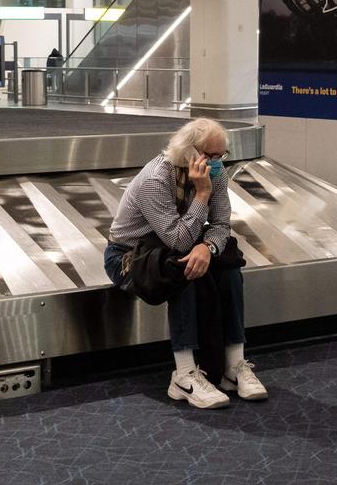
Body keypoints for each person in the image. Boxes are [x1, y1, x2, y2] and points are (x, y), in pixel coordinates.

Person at [104, 118, 268, 409]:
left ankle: (234, 365)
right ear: (189, 151)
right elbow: (177, 241)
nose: (218, 163)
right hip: (129, 258)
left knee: (228, 261)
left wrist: (208, 246)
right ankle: (183, 374)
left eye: (222, 156)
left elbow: (220, 224)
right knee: (183, 267)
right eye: (211, 155)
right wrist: (202, 193)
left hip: (178, 246)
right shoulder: (156, 179)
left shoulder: (213, 173)